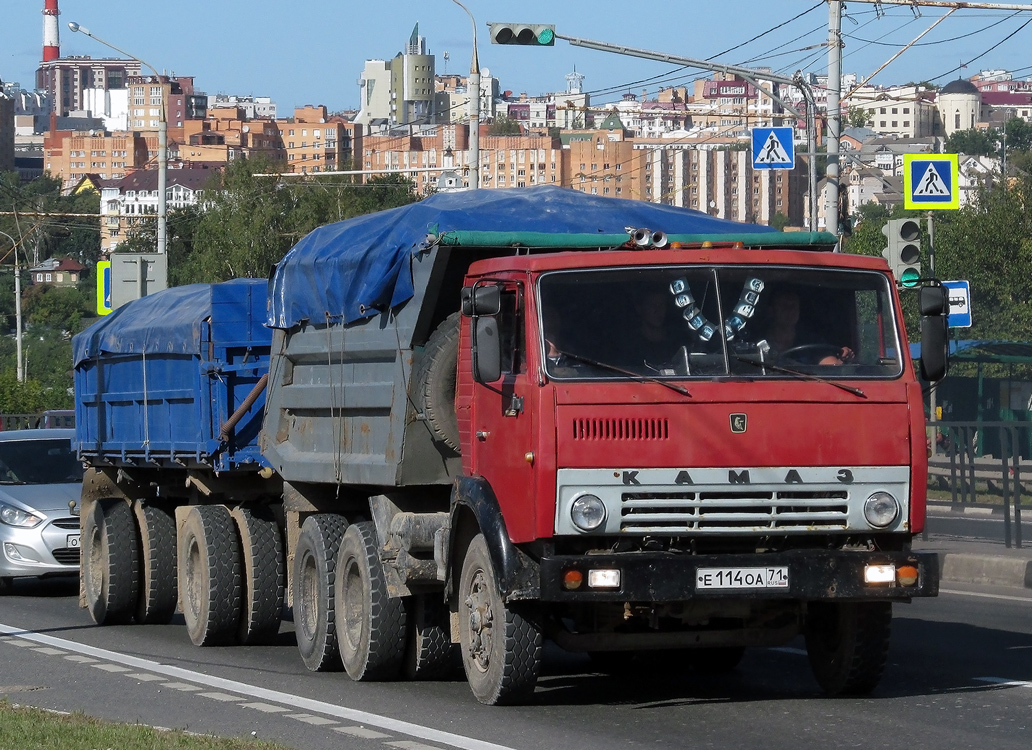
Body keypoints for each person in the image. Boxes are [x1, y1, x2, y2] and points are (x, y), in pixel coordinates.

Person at [761, 288, 854, 366]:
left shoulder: (812, 341)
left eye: (793, 306)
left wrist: (843, 359)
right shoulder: (757, 342)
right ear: (771, 311)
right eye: (784, 306)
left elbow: (830, 366)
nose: (790, 310)